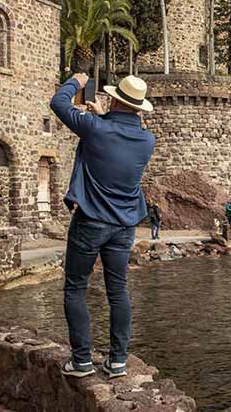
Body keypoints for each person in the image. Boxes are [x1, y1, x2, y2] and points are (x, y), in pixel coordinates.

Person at [50, 73, 155, 380]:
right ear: (139, 108)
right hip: (124, 226)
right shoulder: (147, 141)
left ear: (115, 100)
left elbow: (58, 103)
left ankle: (82, 361)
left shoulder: (95, 128)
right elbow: (125, 132)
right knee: (118, 291)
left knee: (75, 287)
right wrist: (105, 116)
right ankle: (118, 361)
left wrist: (76, 82)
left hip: (91, 221)